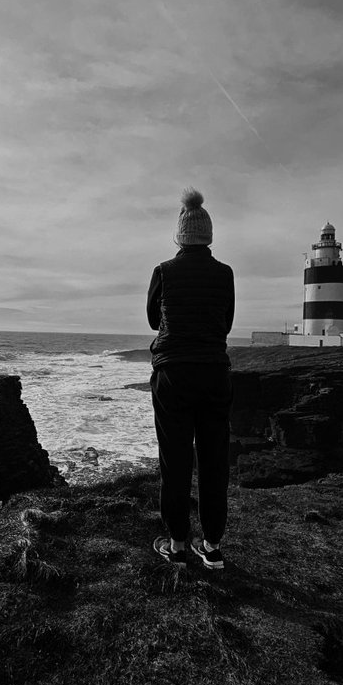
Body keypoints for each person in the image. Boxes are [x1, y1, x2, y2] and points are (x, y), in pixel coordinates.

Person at [147, 189, 235, 571]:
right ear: (208, 236)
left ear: (180, 236)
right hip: (214, 372)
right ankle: (212, 546)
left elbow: (154, 320)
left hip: (174, 374)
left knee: (176, 460)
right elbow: (226, 323)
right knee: (215, 459)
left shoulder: (164, 271)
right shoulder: (225, 273)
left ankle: (178, 544)